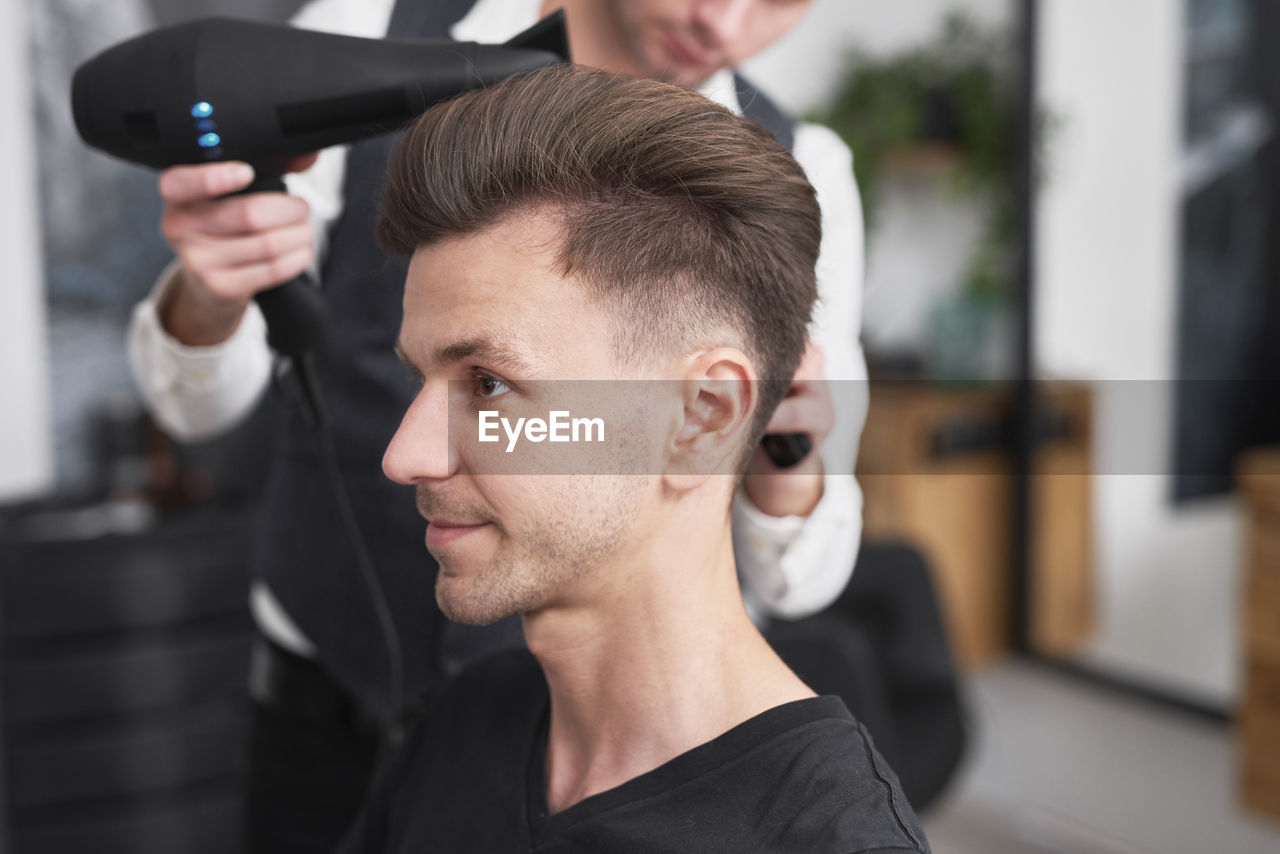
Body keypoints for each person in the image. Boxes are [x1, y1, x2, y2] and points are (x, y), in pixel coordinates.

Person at [126, 0, 867, 849]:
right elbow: (194, 405)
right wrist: (212, 292)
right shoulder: (369, 28)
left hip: (595, 757)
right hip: (325, 700)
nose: (722, 22)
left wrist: (778, 447)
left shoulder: (805, 170)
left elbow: (802, 572)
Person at [338, 64, 923, 853]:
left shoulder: (825, 840)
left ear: (702, 419)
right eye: (420, 378)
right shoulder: (465, 723)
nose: (404, 456)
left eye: (489, 383)